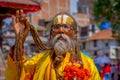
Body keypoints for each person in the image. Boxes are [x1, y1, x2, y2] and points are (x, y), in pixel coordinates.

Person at [5, 10, 101, 80]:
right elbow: (18, 73)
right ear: (51, 33)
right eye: (57, 27)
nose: (61, 30)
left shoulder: (87, 64)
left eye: (66, 26)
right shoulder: (38, 61)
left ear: (75, 33)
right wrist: (19, 42)